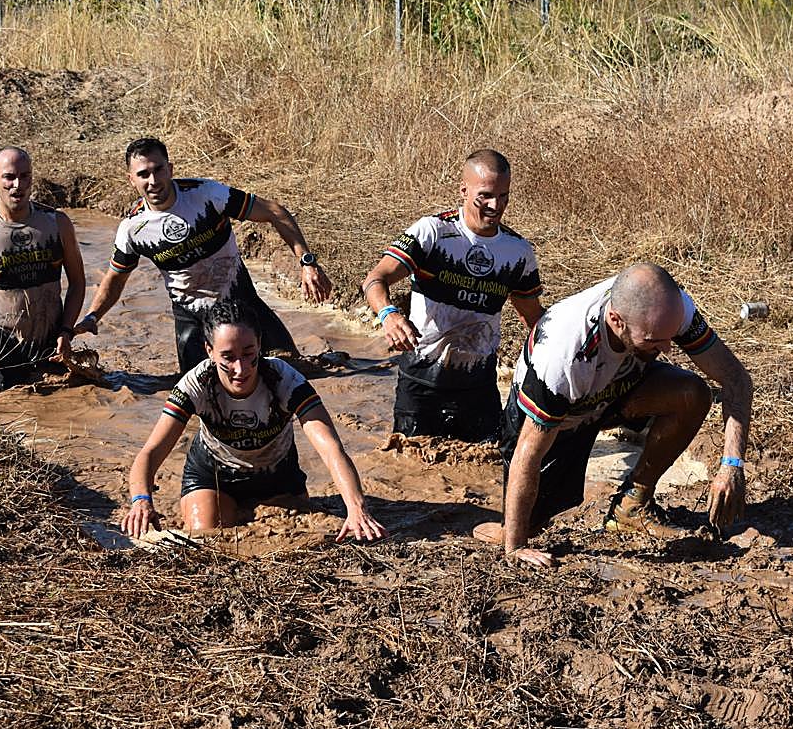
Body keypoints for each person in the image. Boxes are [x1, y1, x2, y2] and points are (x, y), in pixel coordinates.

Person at [481, 262, 753, 568]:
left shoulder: (670, 309)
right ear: (616, 320)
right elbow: (527, 453)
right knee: (526, 526)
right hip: (560, 416)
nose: (668, 349)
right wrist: (516, 547)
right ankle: (497, 528)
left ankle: (632, 505)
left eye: (671, 336)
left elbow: (735, 378)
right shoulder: (563, 351)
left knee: (692, 394)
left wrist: (732, 464)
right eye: (654, 341)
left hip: (614, 389)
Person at [120, 300, 387, 542]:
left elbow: (331, 448)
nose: (241, 368)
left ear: (259, 343)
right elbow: (151, 452)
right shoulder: (195, 385)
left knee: (298, 539)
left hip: (278, 475)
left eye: (249, 353)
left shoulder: (286, 380)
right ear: (209, 351)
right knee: (207, 539)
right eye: (228, 357)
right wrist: (141, 501)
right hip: (213, 475)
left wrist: (356, 509)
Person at [72, 137, 332, 373]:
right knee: (199, 395)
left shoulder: (206, 195)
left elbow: (274, 212)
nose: (153, 181)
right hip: (193, 320)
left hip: (242, 304)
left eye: (158, 170)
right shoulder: (132, 229)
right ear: (132, 180)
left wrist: (306, 261)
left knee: (291, 371)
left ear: (170, 169)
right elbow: (116, 278)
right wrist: (93, 316)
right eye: (143, 174)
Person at [360, 149, 544, 442]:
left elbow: (534, 319)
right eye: (485, 195)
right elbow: (375, 279)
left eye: (504, 196)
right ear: (463, 190)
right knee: (409, 470)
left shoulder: (518, 252)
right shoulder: (432, 232)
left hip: (478, 386)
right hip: (420, 382)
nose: (496, 206)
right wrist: (389, 315)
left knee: (486, 472)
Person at [0, 147, 85, 393]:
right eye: (9, 177)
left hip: (52, 343)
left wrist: (67, 331)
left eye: (25, 176)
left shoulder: (57, 223)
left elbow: (78, 283)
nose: (17, 185)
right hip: (3, 347)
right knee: (11, 414)